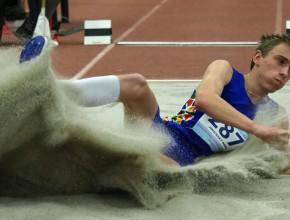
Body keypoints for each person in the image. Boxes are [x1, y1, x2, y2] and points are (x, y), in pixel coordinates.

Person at [20, 34, 290, 169]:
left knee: (140, 163)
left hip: (182, 162)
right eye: (281, 62)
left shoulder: (274, 114)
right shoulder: (226, 71)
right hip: (160, 131)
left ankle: (46, 133)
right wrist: (257, 129)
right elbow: (205, 99)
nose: (284, 73)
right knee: (136, 84)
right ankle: (49, 89)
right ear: (257, 58)